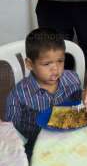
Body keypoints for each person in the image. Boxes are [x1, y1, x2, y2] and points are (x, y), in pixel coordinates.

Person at [5, 28, 82, 160]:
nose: (55, 69)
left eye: (60, 61)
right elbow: (12, 131)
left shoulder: (72, 79)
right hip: (37, 145)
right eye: (47, 64)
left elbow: (80, 106)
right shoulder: (18, 95)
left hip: (72, 136)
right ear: (30, 64)